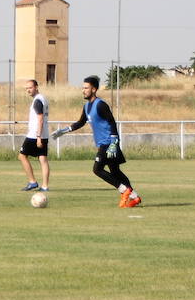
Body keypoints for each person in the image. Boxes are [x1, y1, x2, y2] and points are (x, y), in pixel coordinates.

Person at [55, 74, 142, 208]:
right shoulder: (86, 107)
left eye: (86, 88)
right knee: (115, 172)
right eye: (82, 88)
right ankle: (135, 197)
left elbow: (112, 123)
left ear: (94, 89)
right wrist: (64, 130)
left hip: (108, 143)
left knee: (97, 169)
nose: (83, 90)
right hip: (104, 143)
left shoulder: (101, 105)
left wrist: (114, 143)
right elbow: (80, 123)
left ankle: (124, 190)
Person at [17, 78, 50, 193]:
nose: (28, 90)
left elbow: (40, 119)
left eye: (30, 87)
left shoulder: (37, 101)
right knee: (43, 159)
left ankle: (32, 182)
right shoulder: (43, 98)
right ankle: (45, 186)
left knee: (21, 156)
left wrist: (38, 137)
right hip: (44, 134)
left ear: (36, 87)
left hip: (35, 135)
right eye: (26, 88)